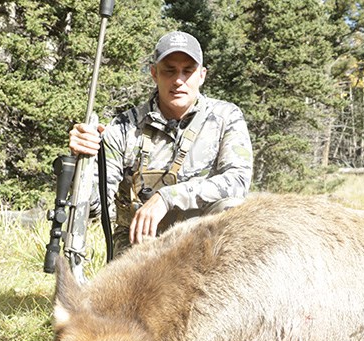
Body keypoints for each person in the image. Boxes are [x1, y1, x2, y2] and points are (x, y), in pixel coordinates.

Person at [68, 31, 253, 253]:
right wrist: (82, 161)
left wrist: (167, 198)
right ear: (154, 73)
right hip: (141, 251)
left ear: (202, 75)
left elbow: (238, 181)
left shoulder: (226, 117)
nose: (178, 80)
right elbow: (94, 209)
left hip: (206, 245)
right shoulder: (123, 127)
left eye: (188, 71)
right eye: (169, 70)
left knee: (233, 209)